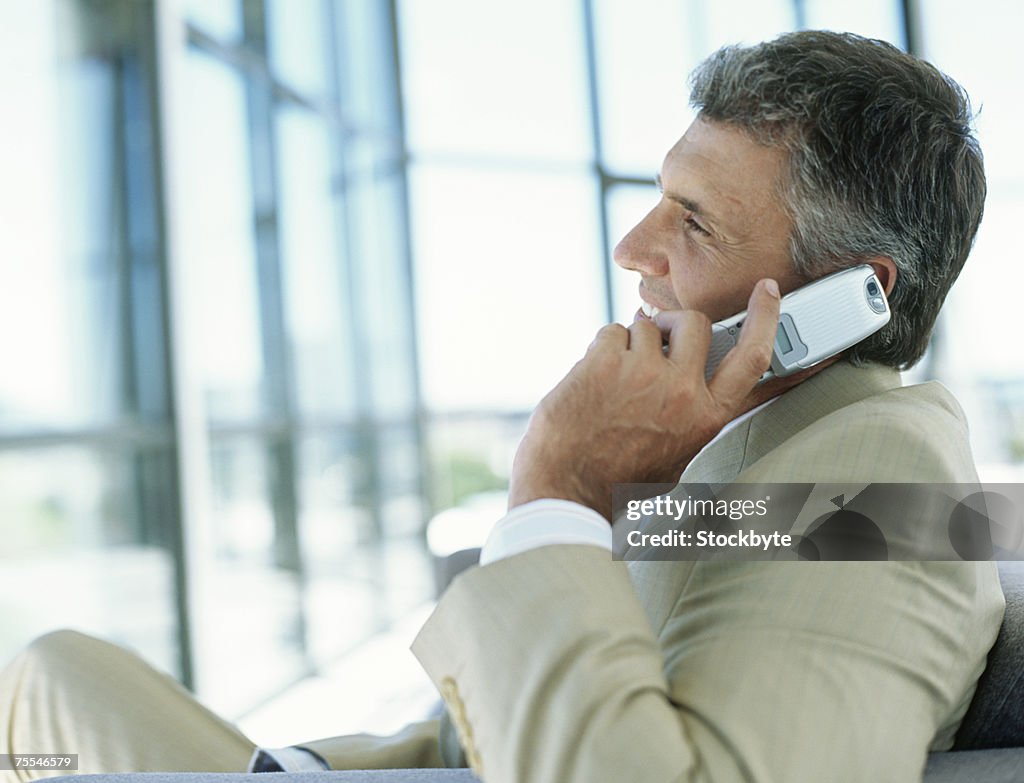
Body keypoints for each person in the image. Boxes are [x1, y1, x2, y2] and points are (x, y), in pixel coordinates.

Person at [0, 29, 1004, 783]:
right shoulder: (748, 453)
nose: (633, 249)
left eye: (691, 221)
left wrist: (555, 490)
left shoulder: (884, 472)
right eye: (658, 197)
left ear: (847, 295)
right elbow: (508, 720)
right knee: (52, 675)